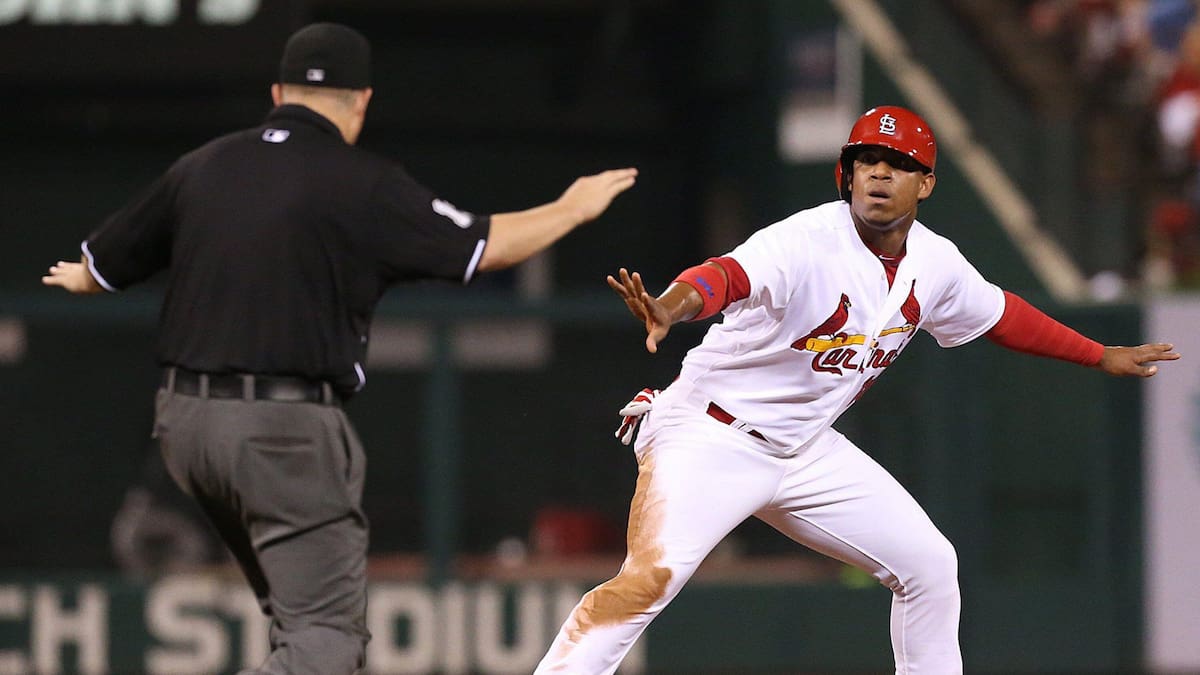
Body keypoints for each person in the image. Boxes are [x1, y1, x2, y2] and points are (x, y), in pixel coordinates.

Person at [41, 22, 637, 675]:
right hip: (281, 432)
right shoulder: (361, 182)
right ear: (361, 101)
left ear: (277, 93)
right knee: (325, 642)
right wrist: (571, 208)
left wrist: (80, 277)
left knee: (300, 624)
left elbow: (100, 265)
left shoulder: (206, 163)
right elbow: (485, 245)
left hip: (185, 425)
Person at [533, 105, 1179, 675]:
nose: (878, 173)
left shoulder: (937, 261)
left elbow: (1002, 313)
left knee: (929, 566)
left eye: (897, 163)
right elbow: (725, 275)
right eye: (867, 159)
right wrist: (672, 306)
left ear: (926, 182)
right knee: (648, 581)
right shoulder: (805, 241)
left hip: (806, 449)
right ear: (846, 174)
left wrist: (1099, 353)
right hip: (709, 434)